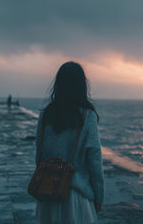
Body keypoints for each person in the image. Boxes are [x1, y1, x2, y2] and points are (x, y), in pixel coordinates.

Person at [35, 61, 104, 224]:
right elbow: (94, 160)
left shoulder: (46, 115)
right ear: (81, 86)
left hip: (49, 192)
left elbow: (39, 155)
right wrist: (98, 195)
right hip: (75, 195)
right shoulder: (87, 116)